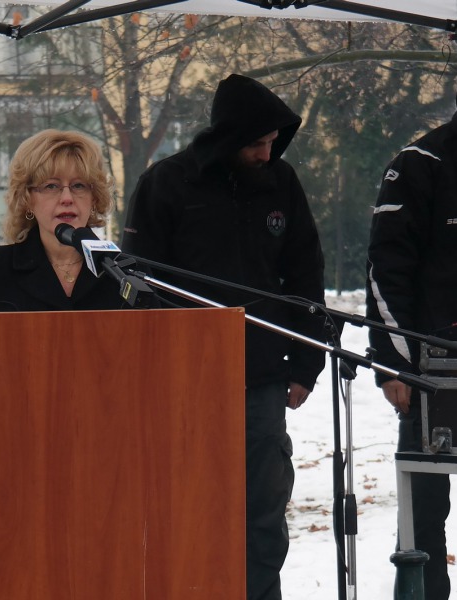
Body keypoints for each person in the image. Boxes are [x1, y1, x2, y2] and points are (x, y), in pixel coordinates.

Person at [121, 73, 326, 600]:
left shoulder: (282, 182)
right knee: (187, 512)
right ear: (230, 138)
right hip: (182, 383)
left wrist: (305, 365)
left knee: (262, 513)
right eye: (257, 143)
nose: (267, 154)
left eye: (273, 144)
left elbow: (305, 277)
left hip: (262, 379)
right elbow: (139, 289)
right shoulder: (166, 183)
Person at [0, 129, 139, 400]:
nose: (67, 197)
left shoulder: (125, 271)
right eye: (51, 186)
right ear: (28, 199)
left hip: (113, 423)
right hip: (22, 422)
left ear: (94, 199)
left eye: (79, 185)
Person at [365, 83, 457, 600]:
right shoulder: (421, 162)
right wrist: (393, 363)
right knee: (424, 514)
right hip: (430, 367)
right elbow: (385, 268)